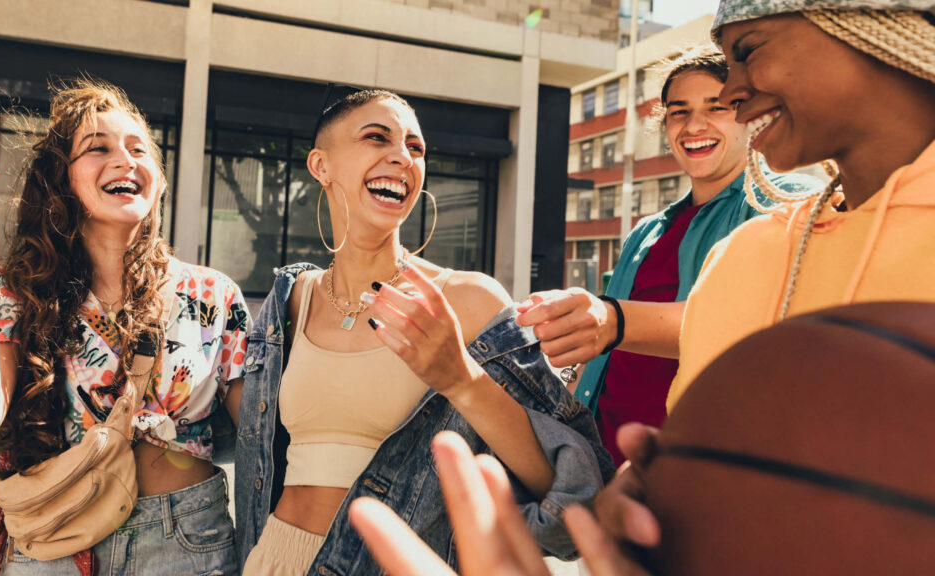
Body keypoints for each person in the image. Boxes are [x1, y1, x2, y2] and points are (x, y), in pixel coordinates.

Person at [348, 0, 935, 574]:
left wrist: (613, 320)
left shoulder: (759, 218)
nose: (732, 93)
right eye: (677, 109)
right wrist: (627, 489)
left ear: (872, 22)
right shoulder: (745, 250)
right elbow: (704, 427)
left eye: (748, 52)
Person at [233, 88, 614, 576]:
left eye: (415, 148)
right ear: (321, 166)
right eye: (377, 137)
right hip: (274, 558)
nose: (402, 157)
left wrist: (461, 378)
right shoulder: (291, 298)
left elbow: (570, 490)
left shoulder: (468, 299)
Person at [0, 78, 249, 575]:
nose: (125, 159)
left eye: (139, 150)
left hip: (186, 542)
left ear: (156, 179)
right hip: (51, 542)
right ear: (61, 181)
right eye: (99, 148)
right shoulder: (15, 292)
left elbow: (267, 441)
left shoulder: (213, 295)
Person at [517, 45, 819, 465]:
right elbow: (610, 353)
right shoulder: (646, 231)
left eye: (717, 107)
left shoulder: (792, 207)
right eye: (678, 111)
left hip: (699, 470)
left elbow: (747, 328)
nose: (694, 125)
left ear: (752, 115)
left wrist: (610, 319)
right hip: (601, 458)